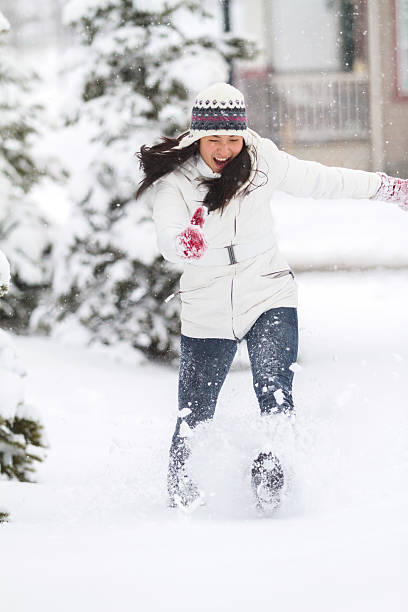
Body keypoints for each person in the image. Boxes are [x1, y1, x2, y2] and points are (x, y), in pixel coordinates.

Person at [136, 82, 408, 511]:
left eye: (232, 139)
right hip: (207, 305)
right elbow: (169, 235)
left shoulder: (263, 162)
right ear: (196, 137)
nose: (224, 149)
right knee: (195, 413)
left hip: (267, 289)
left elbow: (323, 180)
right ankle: (182, 494)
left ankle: (270, 471)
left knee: (275, 389)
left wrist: (386, 188)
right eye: (214, 140)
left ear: (243, 136)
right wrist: (184, 242)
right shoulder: (176, 183)